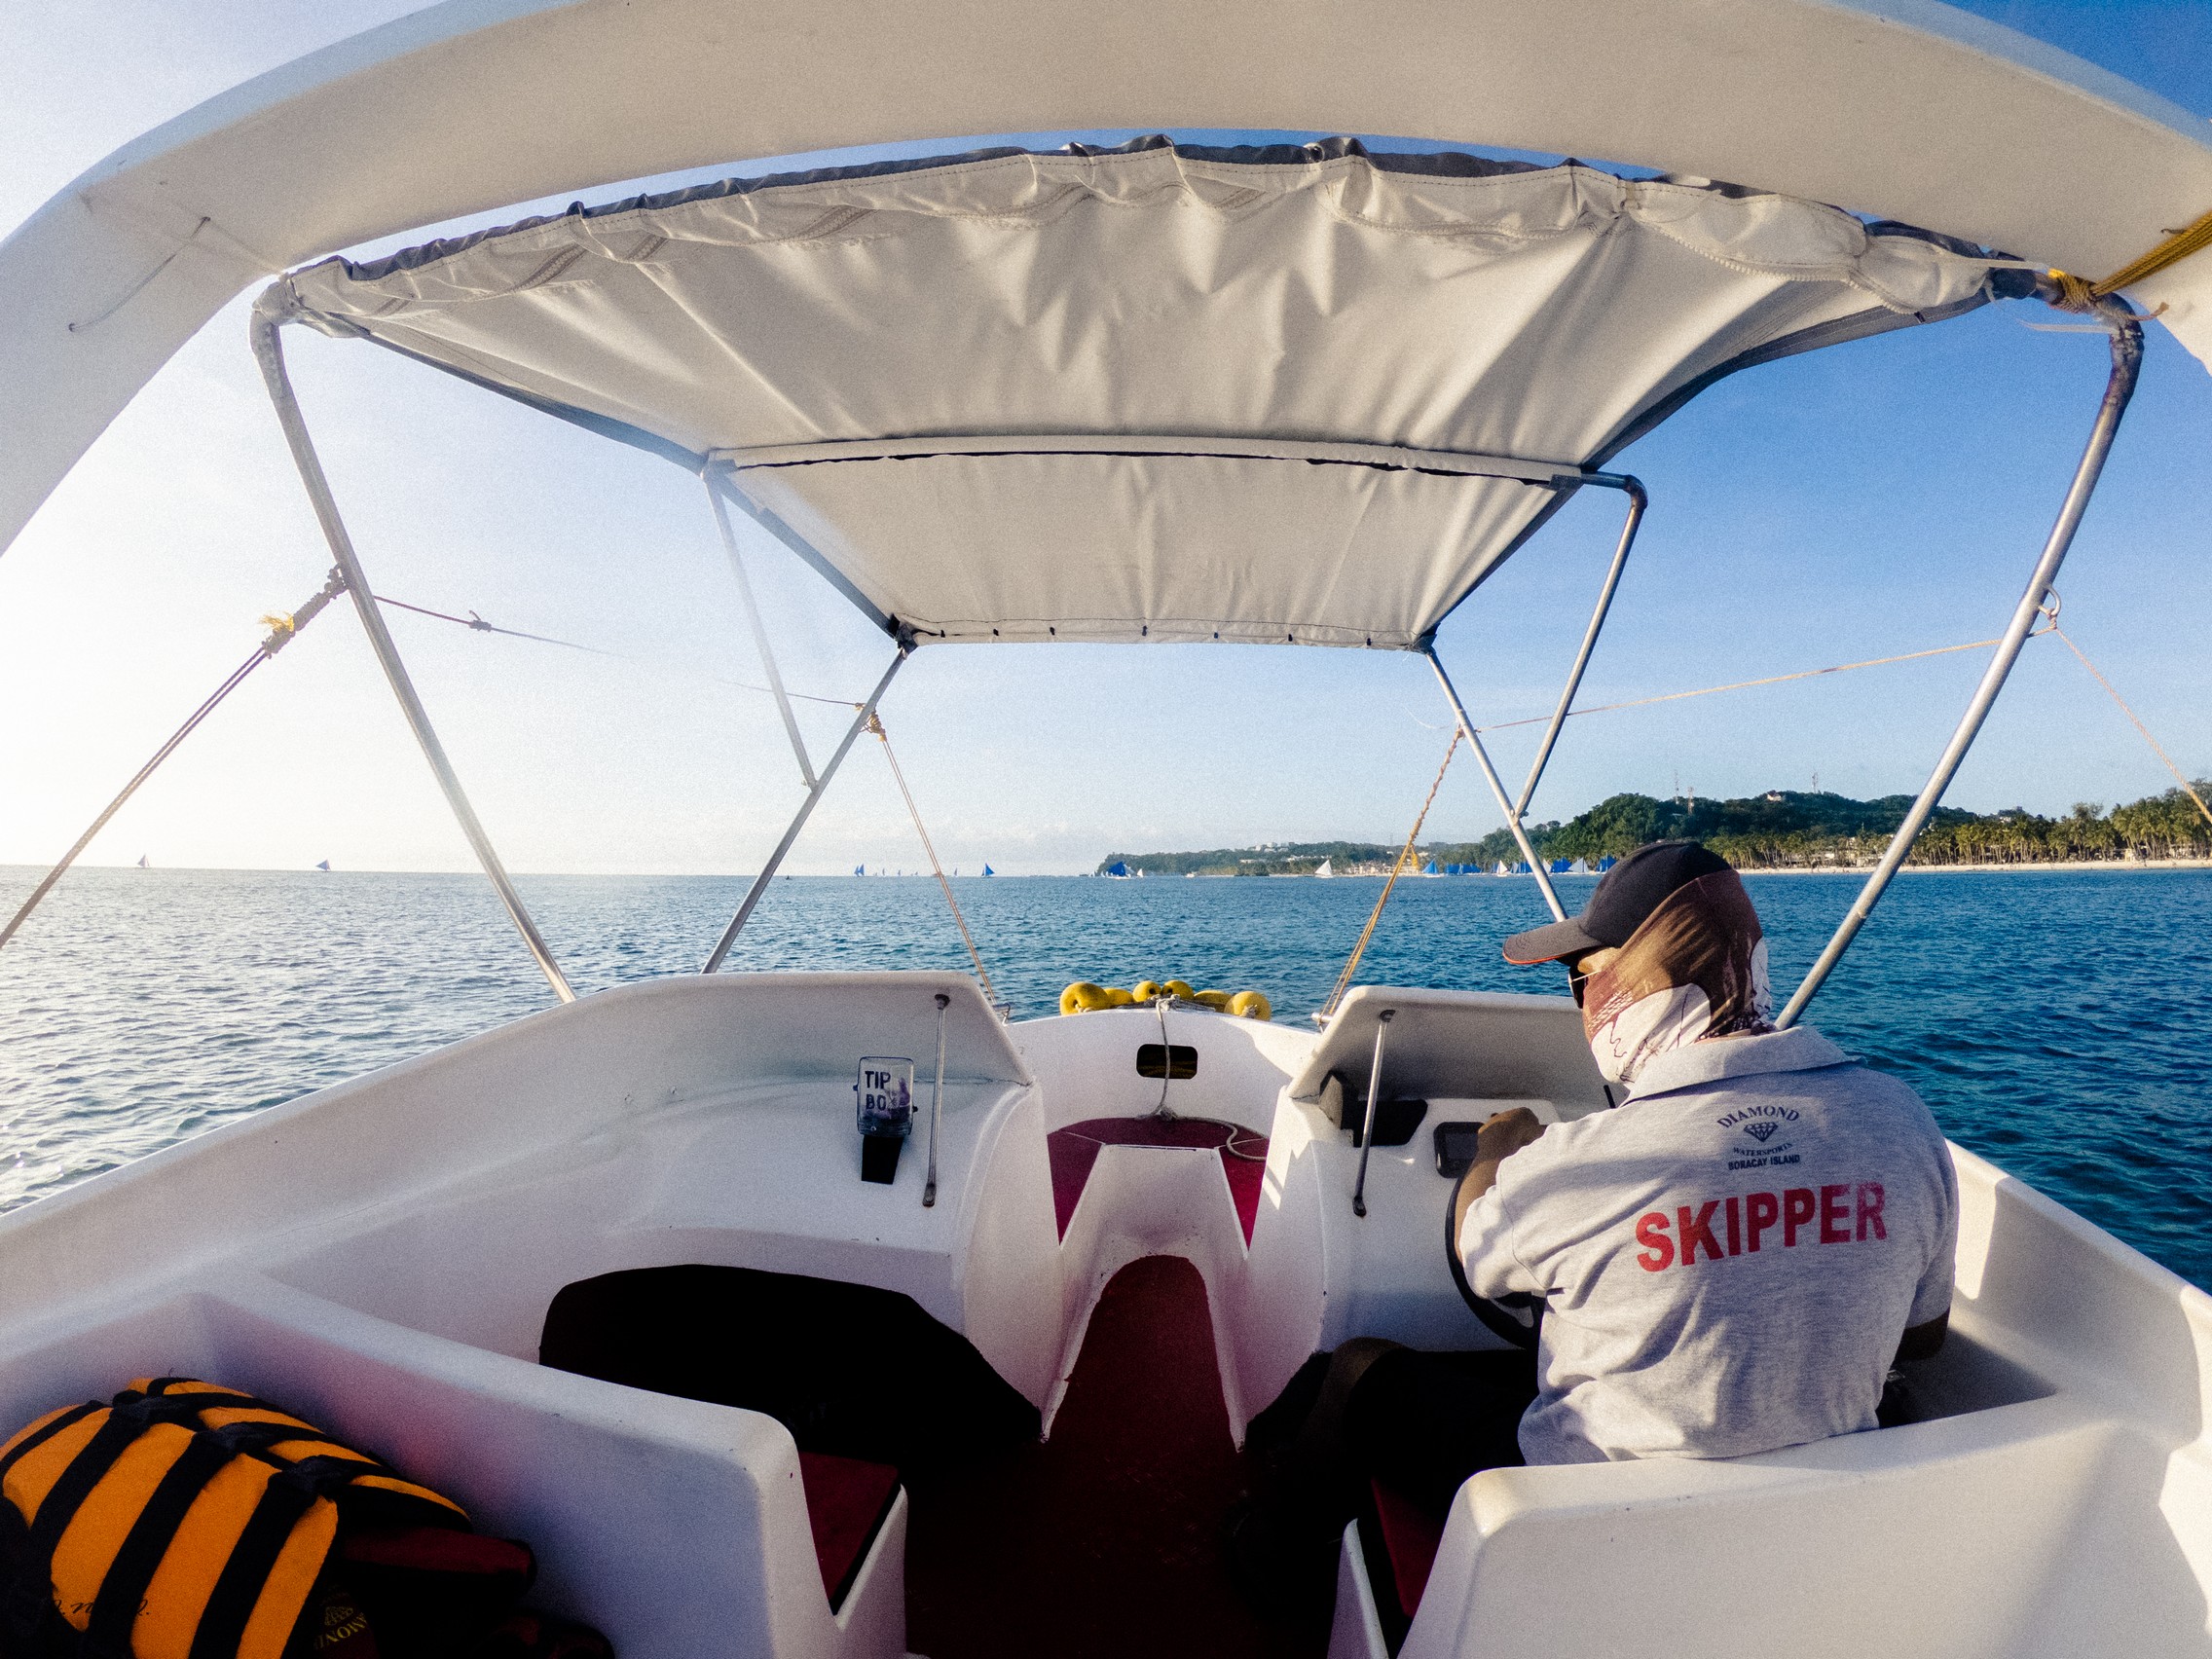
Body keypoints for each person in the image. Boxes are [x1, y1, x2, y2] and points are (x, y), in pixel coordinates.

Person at [1230, 840, 1957, 1604]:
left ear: (1644, 974)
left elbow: (1476, 1254)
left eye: (1582, 976)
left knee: (1358, 1372)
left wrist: (1498, 1153)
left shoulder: (1584, 1160)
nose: (1581, 1001)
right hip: (1803, 1525)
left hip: (1591, 1521)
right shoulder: (1901, 1121)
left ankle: (1266, 1565)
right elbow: (1922, 1336)